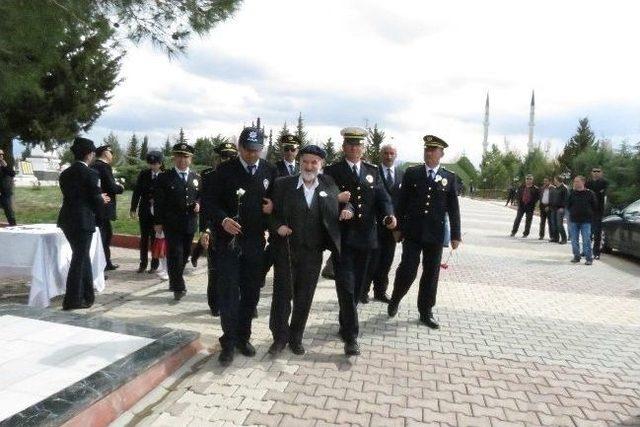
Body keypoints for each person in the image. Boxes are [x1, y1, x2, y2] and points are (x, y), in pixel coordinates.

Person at [268, 145, 353, 355]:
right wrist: (276, 226)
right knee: (282, 297)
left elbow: (344, 204)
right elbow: (268, 211)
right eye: (305, 161)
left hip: (313, 252)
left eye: (314, 162)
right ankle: (279, 338)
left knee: (304, 298)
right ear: (300, 161)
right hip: (286, 250)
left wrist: (348, 211)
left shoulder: (329, 183)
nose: (309, 166)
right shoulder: (282, 184)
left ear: (321, 164)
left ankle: (296, 338)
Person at [207, 126, 277, 366]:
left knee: (250, 294)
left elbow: (276, 202)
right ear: (239, 147)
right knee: (228, 294)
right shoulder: (224, 171)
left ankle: (243, 337)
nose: (252, 155)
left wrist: (272, 209)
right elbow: (208, 202)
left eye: (257, 150)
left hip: (255, 244)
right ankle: (228, 342)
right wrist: (223, 220)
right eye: (248, 150)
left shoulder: (269, 170)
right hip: (228, 245)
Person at [323, 127, 396, 356]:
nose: (354, 148)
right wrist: (338, 204)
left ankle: (345, 321)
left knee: (357, 288)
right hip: (342, 239)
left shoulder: (372, 171)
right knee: (345, 286)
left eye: (358, 145)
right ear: (344, 147)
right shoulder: (333, 171)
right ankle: (352, 337)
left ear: (363, 148)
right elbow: (322, 201)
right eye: (350, 145)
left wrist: (388, 216)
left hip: (367, 240)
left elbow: (383, 198)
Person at [388, 134, 461, 329]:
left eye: (433, 150)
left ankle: (425, 311)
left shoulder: (449, 177)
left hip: (435, 235)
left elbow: (453, 208)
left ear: (441, 154)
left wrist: (456, 235)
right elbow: (401, 203)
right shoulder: (413, 173)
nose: (429, 153)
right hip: (413, 232)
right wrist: (397, 228)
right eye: (426, 149)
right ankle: (396, 298)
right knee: (408, 269)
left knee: (431, 274)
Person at [57, 137, 110, 310]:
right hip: (82, 220)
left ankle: (87, 295)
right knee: (79, 259)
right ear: (89, 154)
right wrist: (101, 199)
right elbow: (94, 199)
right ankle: (72, 299)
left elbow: (74, 195)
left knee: (83, 256)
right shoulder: (91, 173)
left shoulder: (65, 173)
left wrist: (95, 198)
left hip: (67, 219)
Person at [153, 143, 201, 301]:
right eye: (179, 156)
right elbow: (159, 202)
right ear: (174, 158)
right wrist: (158, 222)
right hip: (172, 223)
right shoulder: (164, 177)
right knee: (175, 254)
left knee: (185, 253)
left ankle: (174, 279)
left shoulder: (196, 178)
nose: (182, 160)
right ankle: (178, 286)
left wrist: (199, 204)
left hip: (190, 223)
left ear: (191, 159)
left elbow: (201, 196)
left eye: (186, 157)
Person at [198, 141, 238, 317]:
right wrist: (205, 230)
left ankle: (236, 304)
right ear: (218, 157)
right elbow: (206, 206)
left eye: (231, 156)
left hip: (237, 229)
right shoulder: (209, 176)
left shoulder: (240, 175)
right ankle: (215, 304)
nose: (227, 159)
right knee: (215, 270)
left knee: (236, 271)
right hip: (215, 228)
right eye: (224, 156)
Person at [362, 143, 404, 303]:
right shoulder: (372, 172)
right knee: (371, 260)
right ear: (381, 154)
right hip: (374, 224)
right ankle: (363, 291)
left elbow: (403, 201)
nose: (388, 156)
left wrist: (399, 226)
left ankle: (380, 291)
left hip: (392, 227)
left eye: (392, 153)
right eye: (386, 153)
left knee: (387, 260)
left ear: (396, 155)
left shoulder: (401, 174)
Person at [130, 151, 164, 273]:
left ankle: (154, 264)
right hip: (145, 210)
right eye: (150, 163)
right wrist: (133, 208)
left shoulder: (165, 175)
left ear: (160, 163)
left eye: (155, 163)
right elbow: (137, 192)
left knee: (155, 237)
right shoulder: (144, 174)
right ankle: (143, 263)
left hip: (159, 212)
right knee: (144, 238)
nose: (152, 166)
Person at [92, 145, 124, 271]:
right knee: (104, 236)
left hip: (97, 206)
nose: (112, 155)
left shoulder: (93, 166)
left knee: (105, 234)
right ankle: (103, 263)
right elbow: (111, 186)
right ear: (105, 153)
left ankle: (106, 261)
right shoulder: (104, 167)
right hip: (104, 207)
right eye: (111, 152)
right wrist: (120, 187)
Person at [567, 176, 597, 265]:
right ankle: (576, 256)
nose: (575, 183)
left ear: (583, 182)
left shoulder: (590, 193)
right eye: (574, 181)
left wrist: (590, 213)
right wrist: (573, 212)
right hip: (574, 220)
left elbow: (595, 205)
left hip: (586, 221)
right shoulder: (572, 193)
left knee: (586, 239)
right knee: (574, 240)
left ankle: (588, 258)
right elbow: (568, 205)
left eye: (577, 181)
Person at [586, 166, 609, 260]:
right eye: (594, 171)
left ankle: (596, 253)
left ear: (601, 173)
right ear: (591, 173)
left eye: (598, 171)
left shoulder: (605, 183)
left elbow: (605, 195)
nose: (596, 173)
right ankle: (586, 251)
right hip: (588, 211)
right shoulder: (588, 183)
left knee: (597, 233)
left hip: (599, 211)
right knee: (587, 233)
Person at [0, 149, 16, 226]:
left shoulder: (5, 165)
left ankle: (13, 226)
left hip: (5, 193)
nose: (1, 156)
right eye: (0, 155)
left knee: (9, 211)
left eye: (2, 154)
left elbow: (12, 174)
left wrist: (5, 166)